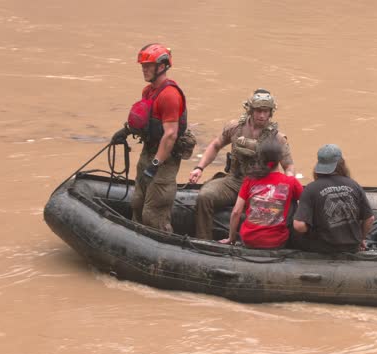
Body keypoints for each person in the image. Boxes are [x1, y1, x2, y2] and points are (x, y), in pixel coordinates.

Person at [188, 89, 295, 240]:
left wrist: (286, 186)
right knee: (204, 197)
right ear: (250, 110)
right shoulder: (235, 128)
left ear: (271, 112)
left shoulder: (277, 138)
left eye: (266, 111)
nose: (262, 115)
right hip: (234, 182)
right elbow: (216, 145)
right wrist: (199, 168)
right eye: (258, 111)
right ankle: (204, 240)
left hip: (261, 187)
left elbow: (288, 166)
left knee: (264, 212)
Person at [110, 43, 188, 232]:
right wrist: (127, 131)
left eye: (148, 66)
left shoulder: (169, 95)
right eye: (143, 66)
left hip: (165, 158)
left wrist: (155, 164)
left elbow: (170, 135)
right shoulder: (148, 91)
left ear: (161, 67)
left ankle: (164, 251)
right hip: (149, 150)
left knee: (154, 213)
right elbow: (146, 120)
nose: (144, 70)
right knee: (137, 202)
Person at [218, 140, 303, 249]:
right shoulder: (290, 182)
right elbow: (305, 203)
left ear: (260, 158)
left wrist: (231, 238)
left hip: (249, 240)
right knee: (292, 202)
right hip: (276, 242)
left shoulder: (250, 179)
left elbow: (236, 212)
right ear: (280, 159)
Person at [292, 144, 375, 253]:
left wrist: (311, 232)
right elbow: (370, 219)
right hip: (352, 247)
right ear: (342, 164)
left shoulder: (311, 188)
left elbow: (299, 226)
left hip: (322, 247)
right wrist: (361, 239)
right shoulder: (354, 185)